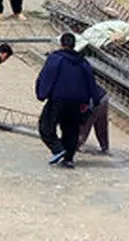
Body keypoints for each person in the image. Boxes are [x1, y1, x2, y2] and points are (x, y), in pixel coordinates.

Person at [35, 32, 98, 169]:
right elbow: (91, 82)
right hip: (77, 103)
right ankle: (68, 159)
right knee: (71, 130)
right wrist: (91, 100)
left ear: (62, 44)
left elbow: (47, 76)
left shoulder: (56, 58)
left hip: (58, 99)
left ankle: (58, 149)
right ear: (74, 45)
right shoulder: (83, 62)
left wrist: (42, 94)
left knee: (45, 127)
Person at [77, 81, 110, 154]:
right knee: (101, 126)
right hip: (103, 97)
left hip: (93, 102)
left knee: (82, 129)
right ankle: (105, 147)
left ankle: (71, 148)